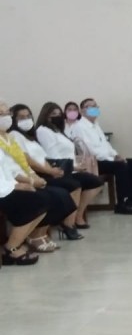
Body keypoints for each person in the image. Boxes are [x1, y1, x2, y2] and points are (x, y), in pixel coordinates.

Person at [10, 103, 102, 232]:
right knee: (72, 186)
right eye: (21, 117)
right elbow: (31, 159)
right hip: (41, 173)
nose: (26, 120)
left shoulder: (38, 134)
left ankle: (73, 220)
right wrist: (51, 171)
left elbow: (43, 157)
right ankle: (67, 224)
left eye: (28, 116)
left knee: (92, 181)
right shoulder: (29, 132)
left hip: (57, 168)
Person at [0, 101, 76, 253]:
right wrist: (23, 183)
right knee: (41, 199)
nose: (6, 117)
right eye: (1, 114)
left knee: (58, 195)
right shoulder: (16, 135)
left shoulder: (10, 137)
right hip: (7, 187)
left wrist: (32, 179)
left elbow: (15, 167)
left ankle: (35, 236)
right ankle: (12, 247)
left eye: (7, 113)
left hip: (13, 181)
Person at [69, 98, 132, 214]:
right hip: (94, 162)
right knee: (121, 166)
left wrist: (116, 155)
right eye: (90, 106)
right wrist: (112, 159)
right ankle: (121, 204)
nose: (94, 109)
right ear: (82, 110)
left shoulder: (96, 125)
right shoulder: (79, 127)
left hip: (106, 158)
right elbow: (90, 150)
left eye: (95, 106)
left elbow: (106, 144)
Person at [0, 148, 46, 266]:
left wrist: (19, 184)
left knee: (42, 201)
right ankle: (11, 248)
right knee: (32, 203)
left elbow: (6, 170)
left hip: (6, 188)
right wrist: (14, 187)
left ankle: (14, 244)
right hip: (2, 191)